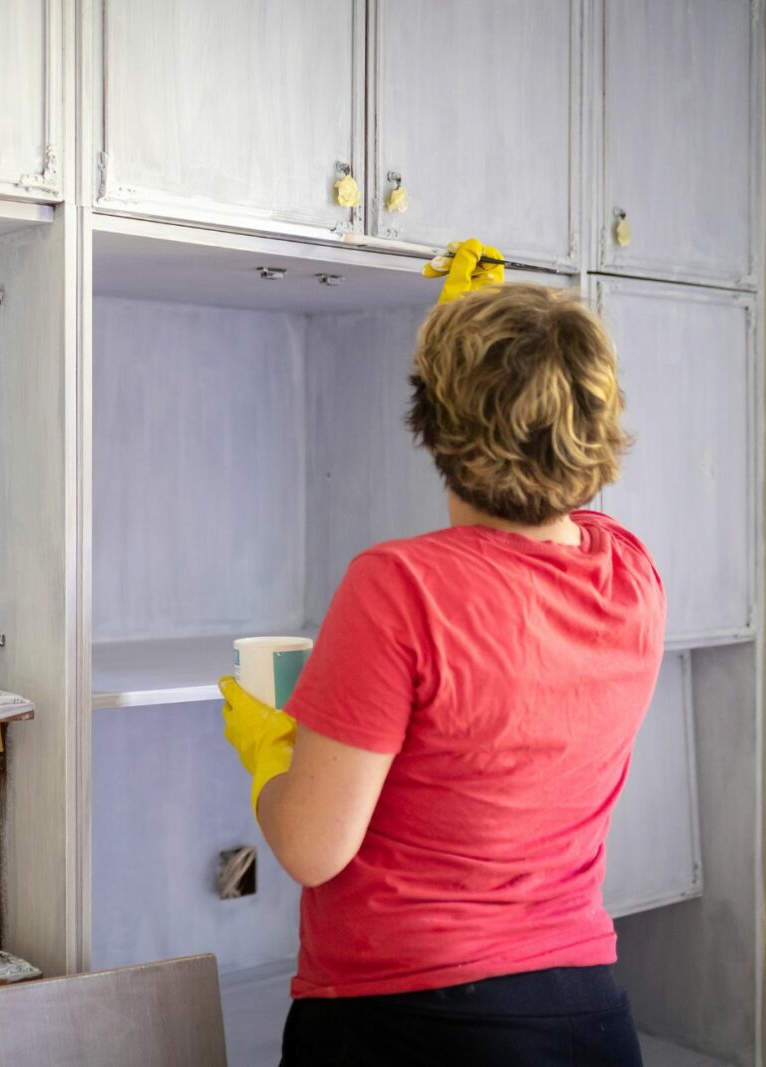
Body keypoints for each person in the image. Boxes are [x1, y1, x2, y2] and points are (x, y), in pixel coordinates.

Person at [220, 240, 664, 1066]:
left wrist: (268, 755)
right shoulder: (628, 572)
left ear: (433, 425)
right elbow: (553, 493)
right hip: (585, 1015)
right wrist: (468, 344)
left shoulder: (399, 587)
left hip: (411, 1021)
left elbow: (313, 849)